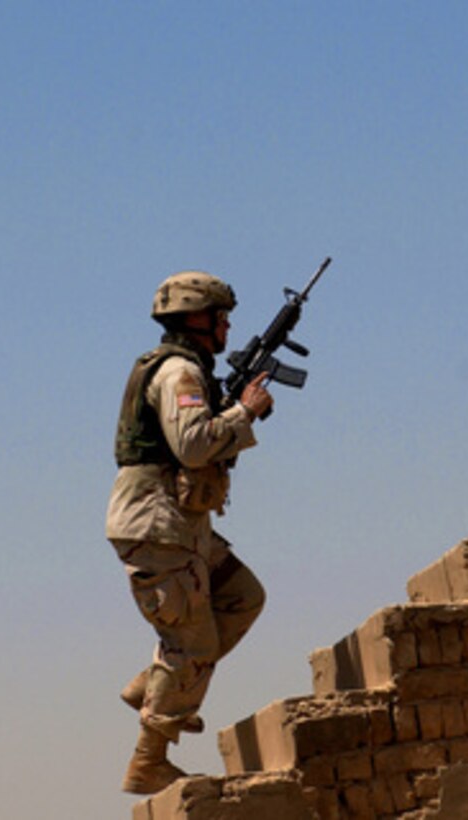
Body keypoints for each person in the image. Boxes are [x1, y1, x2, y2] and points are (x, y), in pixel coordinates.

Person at [106, 271, 273, 794]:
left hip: (183, 527)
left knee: (242, 596)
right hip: (158, 529)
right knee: (192, 642)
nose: (227, 327)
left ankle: (159, 684)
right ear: (196, 320)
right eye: (221, 317)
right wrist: (245, 411)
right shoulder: (179, 373)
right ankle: (149, 760)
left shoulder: (186, 370)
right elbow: (195, 446)